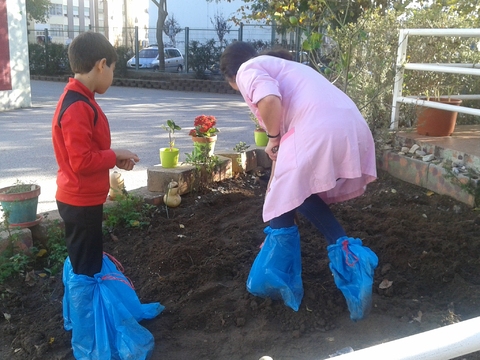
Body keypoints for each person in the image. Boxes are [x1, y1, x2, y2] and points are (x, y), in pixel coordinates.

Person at [220, 41, 378, 319]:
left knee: (295, 194)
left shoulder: (247, 69)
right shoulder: (286, 68)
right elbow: (282, 166)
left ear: (230, 78)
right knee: (297, 192)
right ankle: (353, 262)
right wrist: (275, 187)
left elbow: (269, 100)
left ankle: (276, 276)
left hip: (319, 130)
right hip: (349, 124)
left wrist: (272, 137)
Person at [52, 31, 163, 358]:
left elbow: (88, 153)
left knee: (85, 261)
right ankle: (90, 343)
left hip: (82, 198)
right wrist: (113, 155)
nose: (113, 77)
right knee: (85, 271)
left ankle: (92, 325)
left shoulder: (82, 99)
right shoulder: (77, 106)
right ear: (101, 65)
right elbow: (81, 161)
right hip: (79, 202)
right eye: (113, 69)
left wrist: (114, 158)